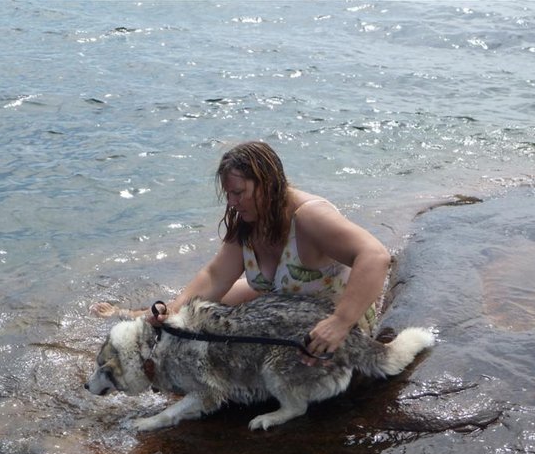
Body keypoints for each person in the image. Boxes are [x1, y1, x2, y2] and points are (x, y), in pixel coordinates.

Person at [90, 141, 391, 361]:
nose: (231, 203)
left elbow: (375, 257)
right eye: (228, 194)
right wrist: (171, 313)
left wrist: (340, 323)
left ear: (267, 185)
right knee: (189, 315)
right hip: (275, 303)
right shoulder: (249, 222)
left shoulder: (310, 217)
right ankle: (135, 314)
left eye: (239, 193)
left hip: (333, 319)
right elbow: (214, 276)